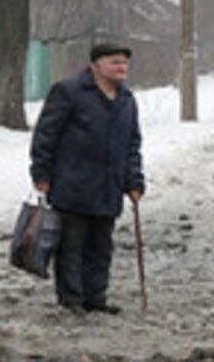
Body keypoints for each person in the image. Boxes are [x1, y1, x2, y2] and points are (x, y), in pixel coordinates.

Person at [29, 41, 146, 314]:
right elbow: (46, 134)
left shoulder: (126, 100)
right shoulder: (68, 92)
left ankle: (96, 298)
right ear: (96, 65)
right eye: (115, 62)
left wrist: (134, 181)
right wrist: (41, 172)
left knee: (101, 246)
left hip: (109, 186)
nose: (121, 68)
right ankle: (71, 300)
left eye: (125, 63)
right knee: (71, 246)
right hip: (72, 183)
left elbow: (132, 145)